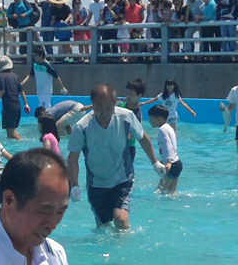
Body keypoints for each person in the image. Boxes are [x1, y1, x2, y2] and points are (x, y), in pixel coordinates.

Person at [67, 85, 165, 231]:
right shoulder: (82, 127)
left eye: (108, 108)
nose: (103, 113)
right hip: (96, 184)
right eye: (98, 108)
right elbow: (73, 157)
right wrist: (74, 184)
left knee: (121, 219)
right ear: (92, 105)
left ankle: (128, 250)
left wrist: (155, 162)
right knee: (103, 228)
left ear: (115, 104)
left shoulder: (126, 117)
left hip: (122, 179)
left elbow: (143, 138)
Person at [147, 104, 183, 194]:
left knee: (159, 191)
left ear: (158, 119)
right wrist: (164, 160)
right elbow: (172, 146)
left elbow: (168, 145)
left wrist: (168, 162)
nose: (149, 121)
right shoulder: (169, 128)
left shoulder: (162, 130)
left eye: (151, 119)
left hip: (172, 165)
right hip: (177, 163)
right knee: (171, 192)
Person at [0, 56, 28, 141]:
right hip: (17, 106)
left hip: (9, 107)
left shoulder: (1, 76)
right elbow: (22, 91)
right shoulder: (15, 76)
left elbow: (2, 91)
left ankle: (23, 143)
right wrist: (26, 104)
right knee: (10, 132)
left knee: (11, 132)